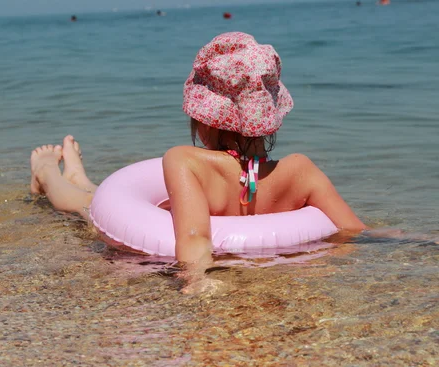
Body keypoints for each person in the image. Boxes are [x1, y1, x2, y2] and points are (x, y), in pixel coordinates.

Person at [29, 32, 366, 293]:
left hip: (150, 226)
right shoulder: (300, 170)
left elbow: (194, 239)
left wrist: (197, 281)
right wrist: (410, 240)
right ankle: (67, 173)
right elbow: (354, 230)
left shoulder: (185, 161)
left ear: (203, 121)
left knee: (87, 205)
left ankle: (50, 173)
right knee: (96, 199)